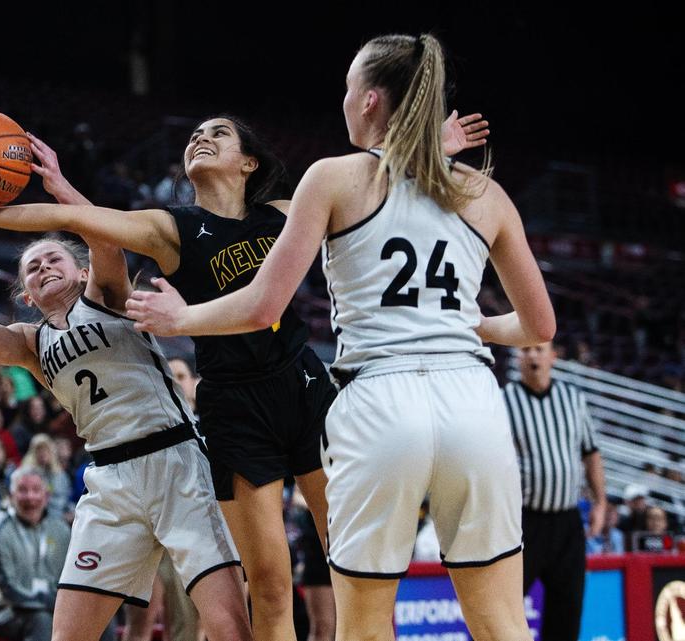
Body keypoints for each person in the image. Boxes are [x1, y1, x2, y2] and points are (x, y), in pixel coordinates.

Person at [0, 118, 485, 641]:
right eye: (195, 133)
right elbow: (84, 230)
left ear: (248, 163)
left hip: (293, 389)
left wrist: (427, 152)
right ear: (24, 294)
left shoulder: (282, 212)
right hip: (222, 411)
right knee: (268, 585)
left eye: (218, 132)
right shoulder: (170, 229)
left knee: (352, 561)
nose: (201, 137)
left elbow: (366, 190)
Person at [123, 33, 553, 641]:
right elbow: (539, 326)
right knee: (502, 622)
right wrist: (459, 323)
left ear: (372, 100)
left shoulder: (332, 178)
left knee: (366, 626)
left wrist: (183, 319)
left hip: (379, 403)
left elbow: (264, 305)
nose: (344, 101)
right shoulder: (485, 193)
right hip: (473, 401)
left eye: (349, 89)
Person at [0, 141, 251, 641]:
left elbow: (105, 240)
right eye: (31, 269)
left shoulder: (104, 294)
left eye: (52, 257)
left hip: (176, 461)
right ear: (26, 295)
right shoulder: (32, 341)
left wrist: (59, 188)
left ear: (80, 270)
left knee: (229, 625)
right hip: (109, 480)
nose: (42, 268)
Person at [504, 341, 605, 641]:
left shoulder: (573, 399)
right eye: (525, 350)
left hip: (567, 522)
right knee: (504, 608)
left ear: (553, 357)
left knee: (568, 608)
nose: (532, 355)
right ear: (517, 358)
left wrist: (600, 503)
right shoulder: (502, 401)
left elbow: (591, 454)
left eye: (538, 349)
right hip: (523, 523)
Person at [0, 469, 106, 641]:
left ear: (46, 495)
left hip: (52, 606)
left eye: (36, 490)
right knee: (42, 620)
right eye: (23, 490)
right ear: (11, 495)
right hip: (3, 611)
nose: (30, 497)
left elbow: (74, 578)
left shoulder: (61, 530)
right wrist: (56, 604)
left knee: (100, 618)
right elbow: (8, 591)